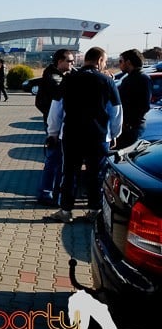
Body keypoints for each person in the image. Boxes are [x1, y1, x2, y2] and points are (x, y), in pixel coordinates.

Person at [47, 47, 122, 223]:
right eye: (104, 61)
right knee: (95, 174)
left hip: (72, 135)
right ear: (100, 61)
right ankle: (94, 211)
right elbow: (116, 111)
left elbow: (56, 108)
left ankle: (65, 211)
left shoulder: (69, 79)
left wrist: (53, 132)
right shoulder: (107, 81)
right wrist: (114, 134)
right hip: (98, 136)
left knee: (69, 173)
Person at [36, 49, 74, 206]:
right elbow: (48, 104)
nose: (72, 64)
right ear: (60, 62)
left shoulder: (57, 76)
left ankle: (48, 192)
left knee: (55, 159)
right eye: (69, 61)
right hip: (55, 126)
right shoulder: (54, 79)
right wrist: (52, 123)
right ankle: (46, 193)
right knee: (55, 159)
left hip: (55, 124)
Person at [116, 49, 151, 149]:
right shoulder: (129, 78)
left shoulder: (142, 78)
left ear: (128, 62)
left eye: (121, 61)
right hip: (126, 127)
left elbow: (144, 106)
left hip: (131, 128)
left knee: (126, 156)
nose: (119, 64)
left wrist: (128, 123)